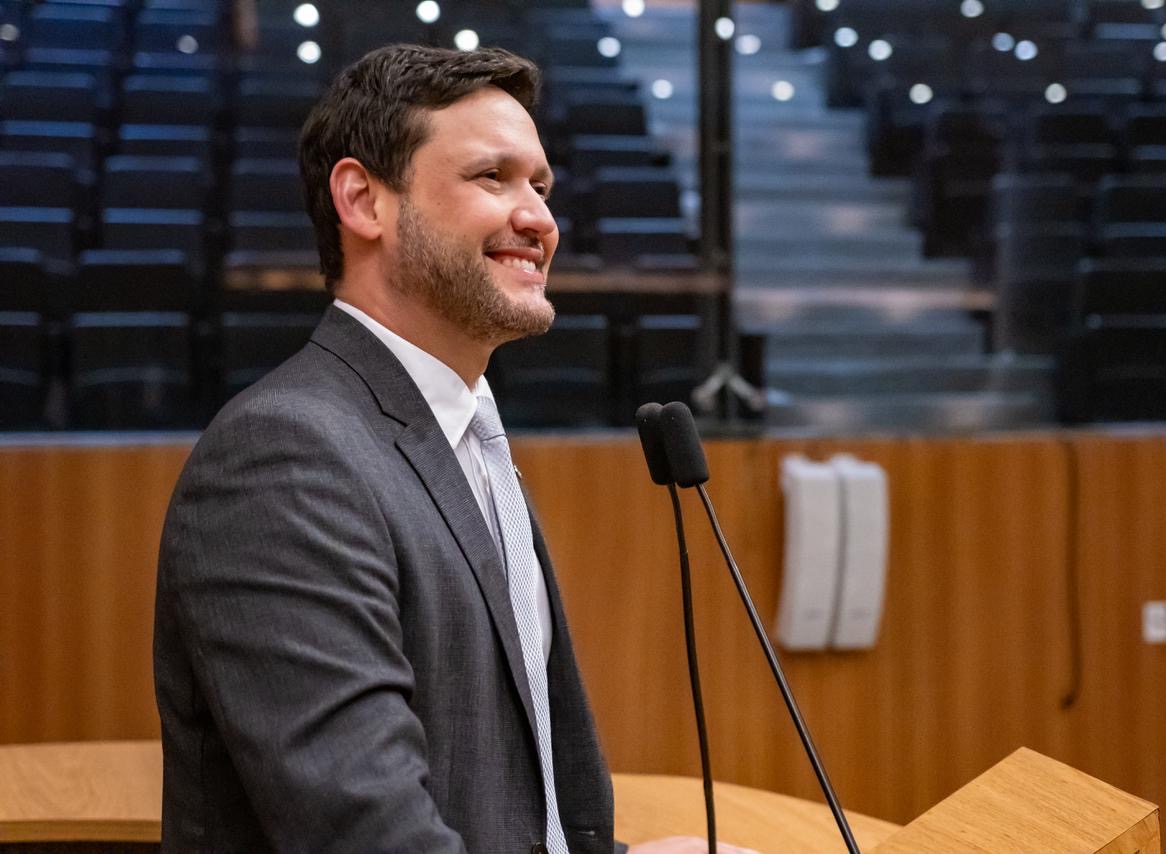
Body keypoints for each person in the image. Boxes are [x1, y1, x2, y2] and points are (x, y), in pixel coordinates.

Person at [153, 43, 754, 853]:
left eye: (540, 185)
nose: (540, 218)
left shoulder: (467, 436)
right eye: (491, 178)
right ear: (364, 201)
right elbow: (371, 836)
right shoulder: (284, 458)